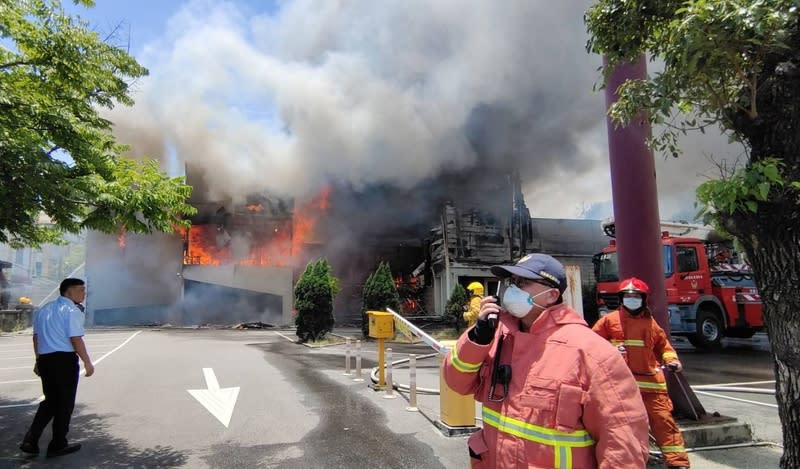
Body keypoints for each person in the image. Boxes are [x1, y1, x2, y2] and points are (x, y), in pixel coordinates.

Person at [442, 253, 649, 468]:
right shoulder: (497, 336)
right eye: (512, 282)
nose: (513, 289)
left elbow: (622, 445)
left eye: (524, 282)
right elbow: (457, 382)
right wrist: (477, 338)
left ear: (551, 295)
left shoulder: (591, 353)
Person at [592, 277, 690, 469]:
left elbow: (664, 347)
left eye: (636, 296)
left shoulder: (651, 323)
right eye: (628, 296)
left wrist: (672, 361)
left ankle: (678, 463)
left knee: (663, 423)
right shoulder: (609, 321)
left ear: (643, 298)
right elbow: (591, 343)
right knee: (622, 428)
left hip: (651, 386)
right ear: (621, 298)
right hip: (620, 388)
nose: (632, 299)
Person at [20, 278, 94, 458]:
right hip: (63, 361)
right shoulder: (71, 310)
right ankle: (58, 444)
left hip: (46, 360)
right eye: (81, 290)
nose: (84, 293)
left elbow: (36, 338)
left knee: (51, 402)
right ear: (69, 292)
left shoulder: (44, 309)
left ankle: (30, 440)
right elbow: (76, 339)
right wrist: (87, 362)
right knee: (64, 404)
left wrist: (38, 360)